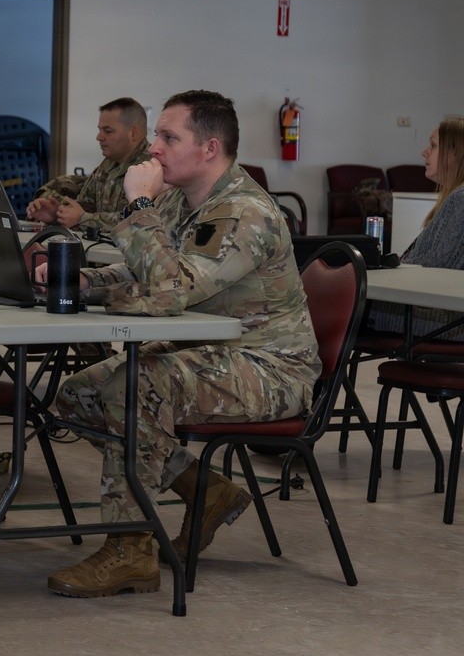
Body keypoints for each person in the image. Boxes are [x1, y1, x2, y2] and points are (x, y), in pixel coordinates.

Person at [41, 90, 320, 599]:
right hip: (206, 354)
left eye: (169, 138)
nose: (154, 149)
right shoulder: (180, 200)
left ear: (209, 148)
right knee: (78, 395)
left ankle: (130, 551)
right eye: (156, 137)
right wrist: (84, 282)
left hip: (269, 367)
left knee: (136, 385)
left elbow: (172, 287)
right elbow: (144, 269)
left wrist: (138, 206)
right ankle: (206, 490)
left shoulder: (245, 212)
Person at [367, 118, 464, 340]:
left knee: (336, 303)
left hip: (444, 321)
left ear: (454, 153)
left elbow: (433, 268)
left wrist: (387, 269)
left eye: (433, 145)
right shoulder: (456, 197)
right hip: (442, 314)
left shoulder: (460, 199)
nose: (424, 152)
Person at [27, 97, 151, 236]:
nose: (99, 137)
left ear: (133, 133)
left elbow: (141, 221)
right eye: (100, 130)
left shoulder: (152, 169)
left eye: (108, 131)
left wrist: (83, 219)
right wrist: (57, 215)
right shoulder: (107, 165)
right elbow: (84, 206)